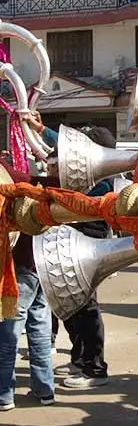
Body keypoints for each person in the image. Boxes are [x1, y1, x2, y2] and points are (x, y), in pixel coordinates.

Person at [34, 123, 115, 389]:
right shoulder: (90, 173)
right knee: (69, 305)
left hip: (88, 243)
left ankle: (95, 369)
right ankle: (80, 359)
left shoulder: (100, 178)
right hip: (74, 240)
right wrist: (39, 127)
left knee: (86, 308)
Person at [0, 158, 58, 411]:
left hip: (23, 267)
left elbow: (19, 180)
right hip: (44, 265)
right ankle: (44, 389)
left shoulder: (20, 183)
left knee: (8, 334)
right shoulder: (52, 191)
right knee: (40, 330)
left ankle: (4, 394)